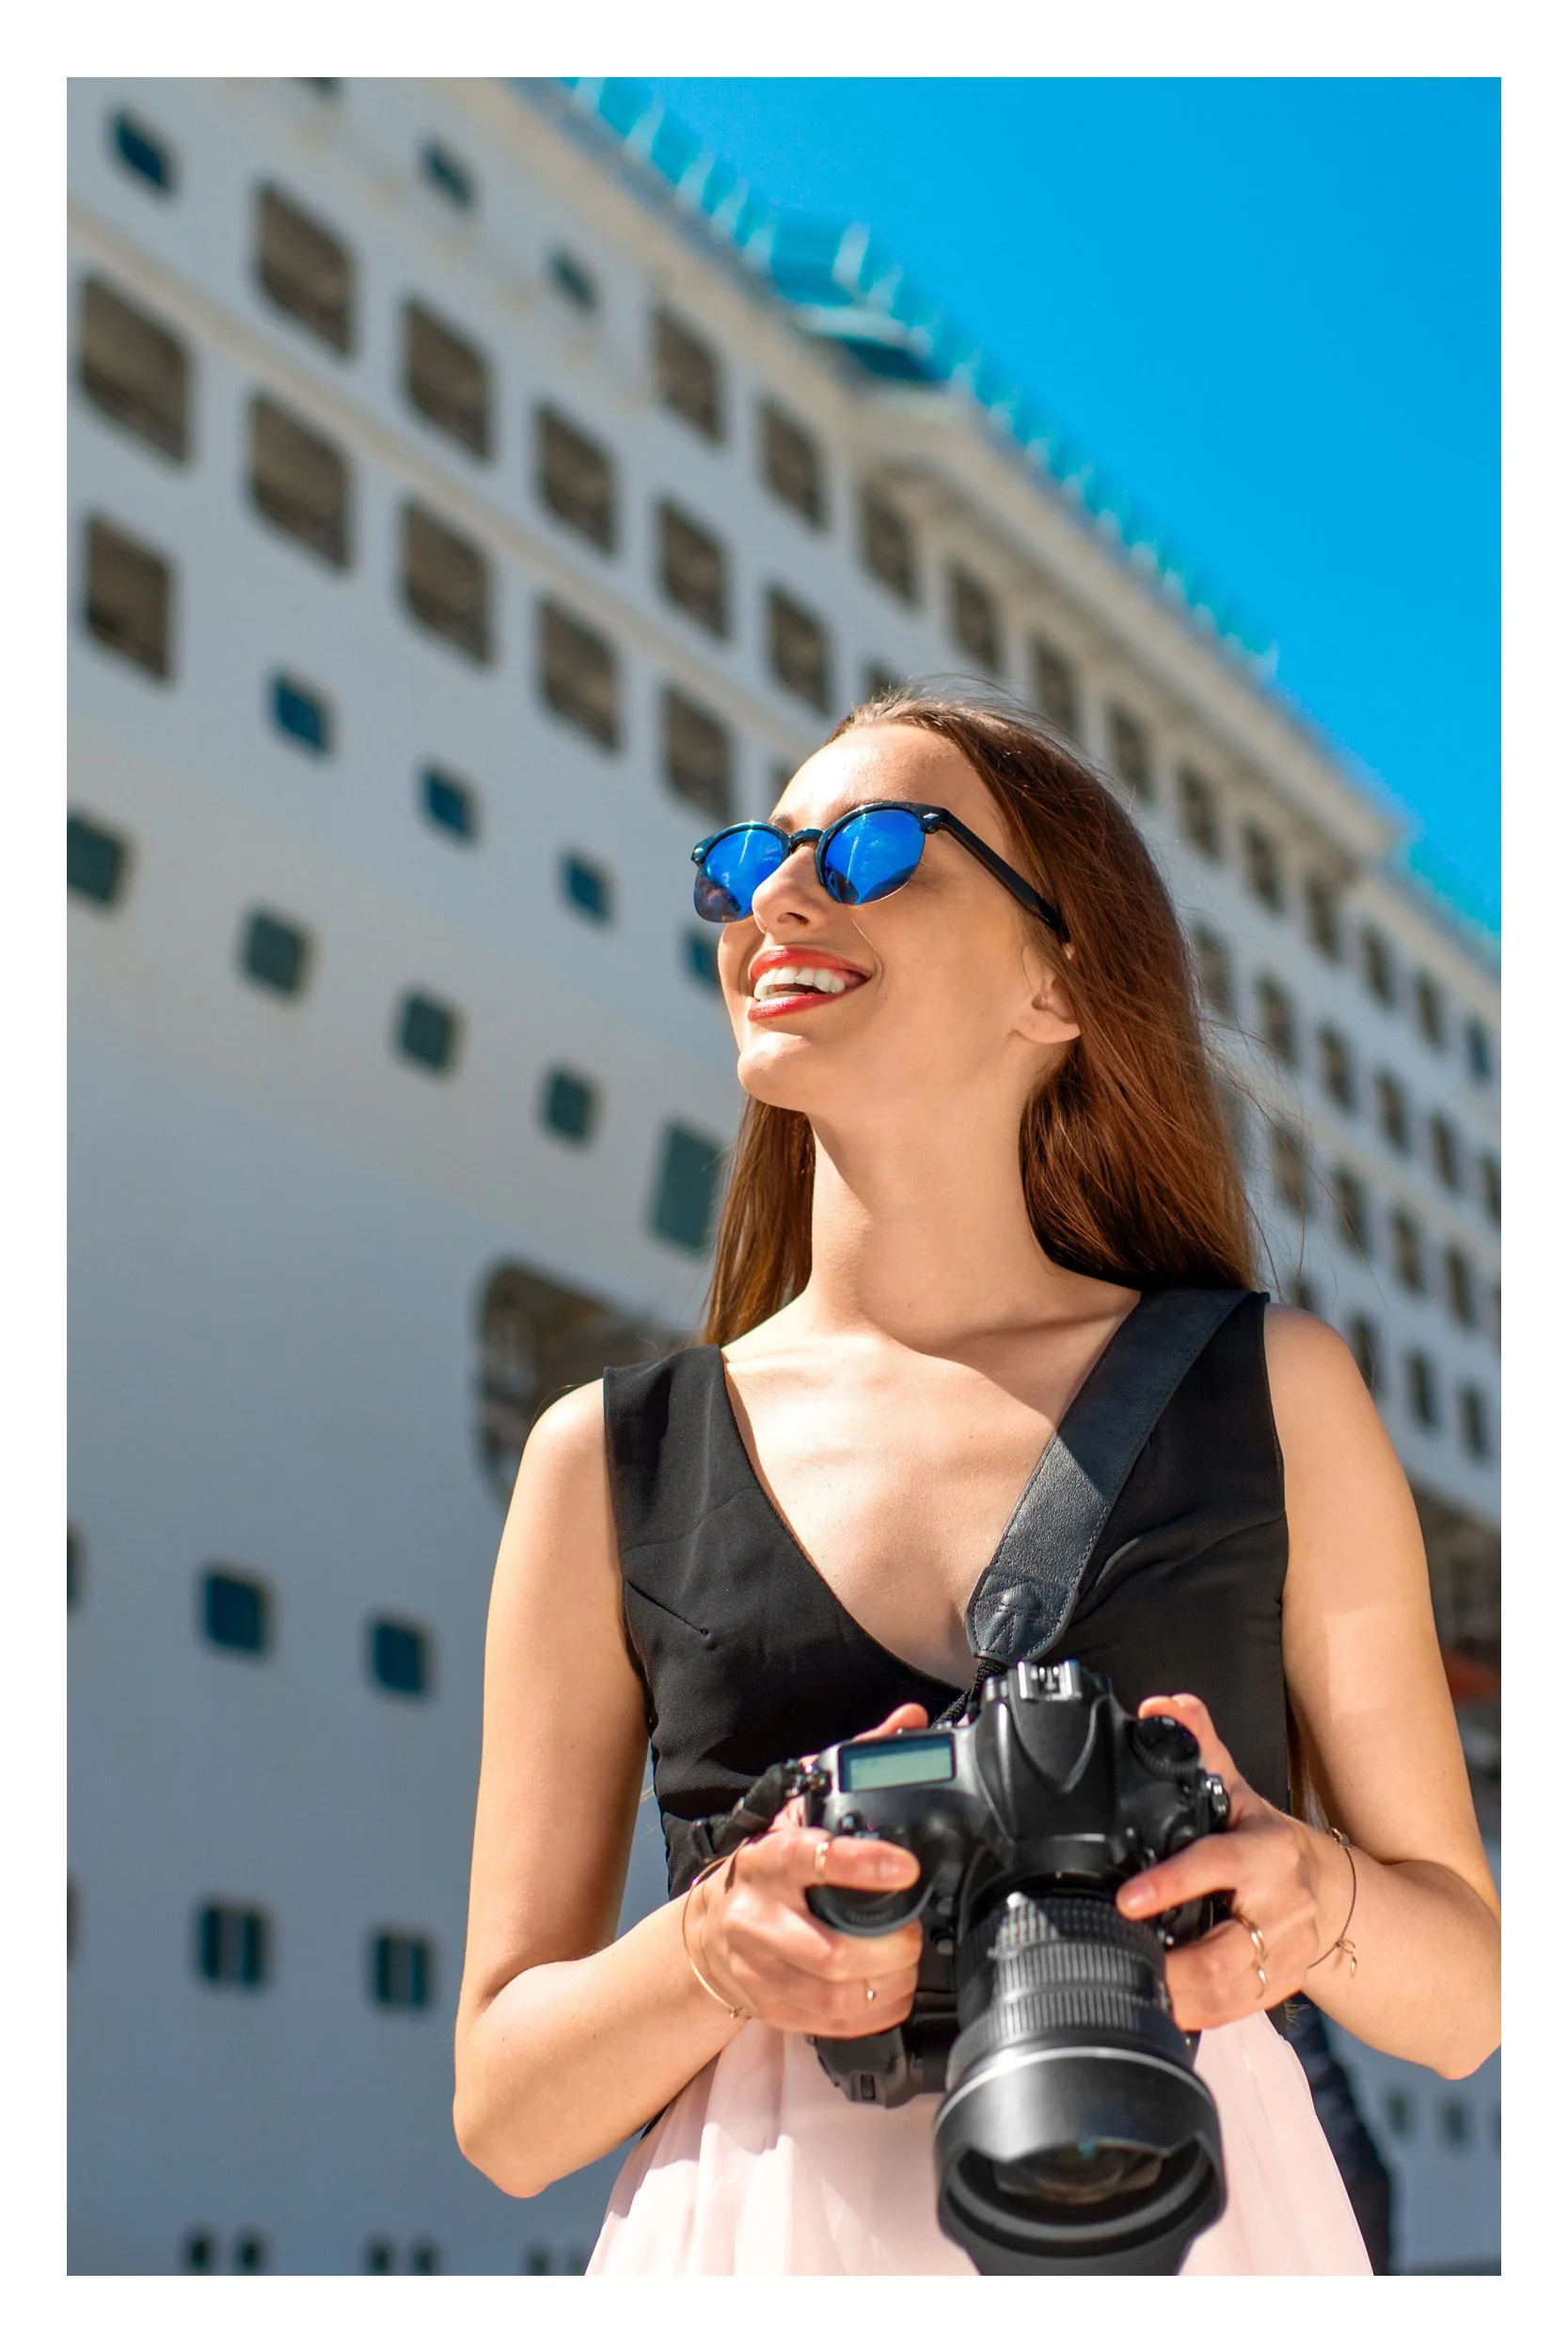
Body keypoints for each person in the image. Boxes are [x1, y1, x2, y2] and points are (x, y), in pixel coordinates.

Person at [452, 687, 1500, 2276]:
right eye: (748, 866)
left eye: (873, 850)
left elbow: (1469, 1999)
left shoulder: (1270, 1388)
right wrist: (716, 1947)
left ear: (1056, 989)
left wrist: (1304, 1893)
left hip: (1195, 2229)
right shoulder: (609, 1456)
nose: (779, 900)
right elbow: (504, 2110)